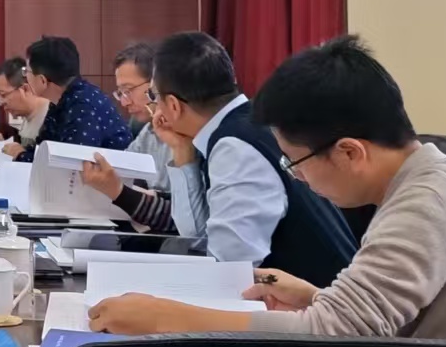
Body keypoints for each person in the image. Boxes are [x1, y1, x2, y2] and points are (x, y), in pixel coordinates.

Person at [90, 36, 446, 347]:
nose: (296, 179)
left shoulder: (426, 206)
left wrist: (166, 317)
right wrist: (316, 296)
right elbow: (372, 321)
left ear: (349, 152)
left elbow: (329, 335)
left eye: (295, 164)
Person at [142, 30, 355, 286]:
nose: (155, 108)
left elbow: (228, 268)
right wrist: (181, 151)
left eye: (153, 97)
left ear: (174, 106)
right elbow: (197, 237)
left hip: (316, 304)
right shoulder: (251, 121)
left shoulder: (236, 149)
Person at [80, 41, 174, 233]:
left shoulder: (186, 134)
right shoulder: (147, 132)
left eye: (129, 91)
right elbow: (124, 173)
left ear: (155, 86)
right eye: (121, 93)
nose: (124, 102)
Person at [23, 35, 132, 156]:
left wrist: (20, 155)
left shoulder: (83, 106)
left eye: (26, 71)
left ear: (42, 80)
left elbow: (73, 161)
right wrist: (22, 154)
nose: (25, 77)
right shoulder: (60, 101)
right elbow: (43, 149)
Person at [0, 57, 48, 157]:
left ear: (25, 88)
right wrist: (2, 145)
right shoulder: (25, 117)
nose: (1, 103)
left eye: (3, 95)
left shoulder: (51, 117)